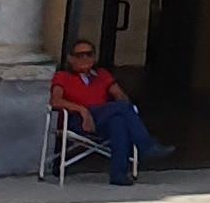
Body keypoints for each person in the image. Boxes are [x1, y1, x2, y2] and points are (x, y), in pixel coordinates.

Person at [47, 36, 163, 186]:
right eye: (79, 55)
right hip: (77, 120)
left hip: (101, 119)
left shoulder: (102, 75)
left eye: (89, 54)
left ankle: (118, 174)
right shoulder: (62, 76)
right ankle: (145, 146)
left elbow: (120, 96)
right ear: (70, 59)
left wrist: (121, 105)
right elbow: (55, 101)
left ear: (94, 57)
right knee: (121, 110)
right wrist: (82, 110)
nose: (85, 58)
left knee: (119, 120)